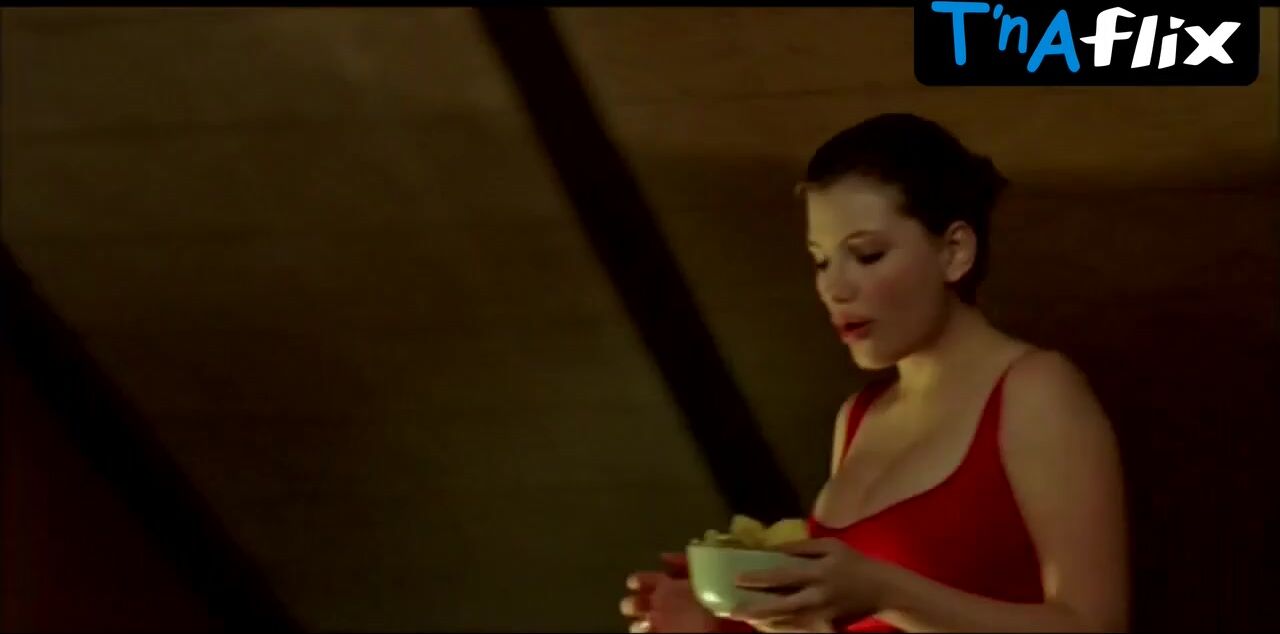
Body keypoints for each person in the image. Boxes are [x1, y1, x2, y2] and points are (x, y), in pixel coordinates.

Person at [619, 113, 1130, 633]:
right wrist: (719, 622)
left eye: (867, 255)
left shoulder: (1035, 390)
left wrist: (888, 592)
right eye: (821, 261)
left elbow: (1096, 627)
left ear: (955, 251)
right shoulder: (859, 416)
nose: (834, 289)